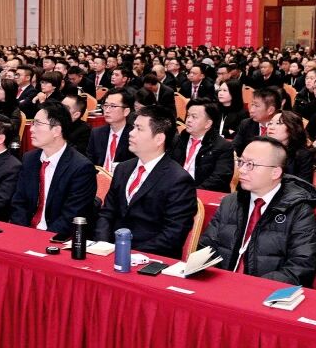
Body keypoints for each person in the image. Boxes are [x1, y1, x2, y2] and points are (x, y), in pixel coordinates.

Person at [197, 136, 316, 285]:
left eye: (251, 164)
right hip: (221, 286)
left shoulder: (299, 210)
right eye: (241, 162)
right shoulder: (230, 202)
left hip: (265, 291)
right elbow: (206, 249)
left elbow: (301, 267)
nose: (241, 170)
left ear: (275, 173)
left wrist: (252, 287)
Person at [95, 107, 197, 259]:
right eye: (133, 127)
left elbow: (172, 235)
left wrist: (127, 253)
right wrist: (103, 244)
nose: (131, 133)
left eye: (139, 129)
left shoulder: (178, 180)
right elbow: (107, 213)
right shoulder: (123, 168)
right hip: (110, 252)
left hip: (149, 258)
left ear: (159, 139)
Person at [9, 102, 96, 237]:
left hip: (58, 238)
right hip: (25, 233)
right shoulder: (29, 159)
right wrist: (23, 233)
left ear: (56, 130)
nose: (31, 129)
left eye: (37, 124)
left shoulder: (81, 168)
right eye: (32, 123)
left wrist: (40, 238)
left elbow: (71, 216)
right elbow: (19, 203)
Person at [170, 98, 234, 191]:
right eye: (188, 115)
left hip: (201, 193)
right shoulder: (177, 140)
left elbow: (219, 179)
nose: (188, 120)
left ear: (208, 124)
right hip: (174, 190)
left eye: (194, 117)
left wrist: (191, 193)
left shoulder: (223, 147)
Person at [88, 87, 135, 172]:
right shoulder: (96, 133)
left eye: (113, 106)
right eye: (105, 105)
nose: (107, 110)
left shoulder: (134, 136)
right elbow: (90, 163)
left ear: (126, 111)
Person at [263, 110, 316, 181]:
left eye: (278, 123)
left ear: (291, 128)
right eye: (270, 123)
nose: (271, 127)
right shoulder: (263, 150)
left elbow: (302, 184)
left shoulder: (303, 154)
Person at [233, 87, 281, 155]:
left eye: (256, 106)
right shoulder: (247, 124)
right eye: (252, 104)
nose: (251, 110)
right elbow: (235, 147)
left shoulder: (282, 127)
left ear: (270, 110)